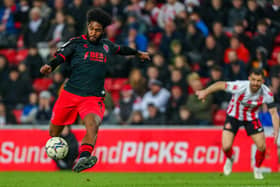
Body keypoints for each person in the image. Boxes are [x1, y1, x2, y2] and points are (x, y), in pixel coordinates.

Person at [40, 8, 150, 173]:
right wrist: (50, 65)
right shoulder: (76, 43)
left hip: (92, 97)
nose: (93, 32)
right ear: (88, 27)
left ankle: (84, 158)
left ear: (103, 31)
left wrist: (137, 53)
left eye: (97, 30)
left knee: (92, 125)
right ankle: (62, 151)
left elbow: (121, 49)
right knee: (53, 132)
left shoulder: (107, 46)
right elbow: (61, 57)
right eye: (91, 28)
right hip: (69, 94)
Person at [196, 69, 280, 179]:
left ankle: (257, 169)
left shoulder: (267, 93)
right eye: (253, 80)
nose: (255, 83)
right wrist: (205, 92)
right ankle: (230, 158)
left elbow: (273, 113)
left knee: (262, 147)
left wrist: (276, 131)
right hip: (233, 117)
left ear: (263, 81)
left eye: (258, 81)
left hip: (251, 118)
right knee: (226, 147)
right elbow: (221, 85)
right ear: (249, 78)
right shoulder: (240, 86)